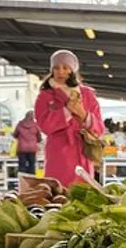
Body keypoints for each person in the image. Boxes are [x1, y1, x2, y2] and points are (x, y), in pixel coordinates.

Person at [35, 50, 105, 187]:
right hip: (58, 152)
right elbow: (44, 126)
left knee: (82, 191)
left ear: (72, 70)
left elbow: (99, 128)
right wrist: (66, 111)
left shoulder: (87, 94)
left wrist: (83, 114)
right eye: (56, 68)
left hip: (83, 151)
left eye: (65, 67)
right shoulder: (45, 96)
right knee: (59, 191)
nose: (60, 72)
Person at [12, 110, 42, 175]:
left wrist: (20, 137)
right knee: (32, 165)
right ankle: (31, 181)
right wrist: (35, 141)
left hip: (22, 148)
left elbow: (15, 135)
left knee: (22, 165)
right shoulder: (35, 125)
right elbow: (39, 138)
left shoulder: (20, 124)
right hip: (32, 148)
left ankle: (22, 181)